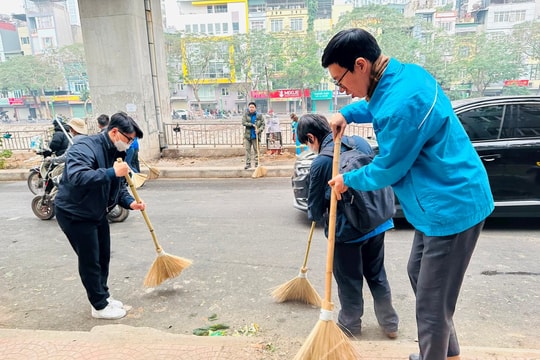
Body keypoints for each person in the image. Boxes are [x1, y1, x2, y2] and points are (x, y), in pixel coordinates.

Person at [322, 28, 494, 360]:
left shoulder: (400, 106)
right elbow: (377, 104)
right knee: (420, 275)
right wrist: (348, 113)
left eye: (339, 80)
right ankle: (447, 352)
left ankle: (434, 355)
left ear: (360, 64)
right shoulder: (405, 76)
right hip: (438, 203)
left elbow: (388, 169)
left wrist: (347, 179)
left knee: (431, 303)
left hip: (451, 206)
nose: (341, 88)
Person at [297, 113, 399, 339]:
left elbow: (313, 209)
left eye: (307, 143)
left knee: (349, 280)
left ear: (311, 138)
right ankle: (390, 324)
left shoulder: (322, 161)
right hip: (377, 222)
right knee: (376, 273)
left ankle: (350, 325)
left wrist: (319, 211)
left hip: (348, 233)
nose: (309, 148)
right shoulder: (359, 143)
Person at [54, 112, 145, 320]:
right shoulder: (85, 147)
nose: (130, 145)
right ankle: (98, 305)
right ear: (114, 132)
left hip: (97, 212)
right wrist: (112, 172)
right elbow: (78, 176)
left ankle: (103, 295)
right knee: (90, 260)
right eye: (129, 139)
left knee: (103, 256)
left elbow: (118, 186)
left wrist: (130, 202)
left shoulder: (118, 152)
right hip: (75, 213)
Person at [242, 102, 265, 169]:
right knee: (247, 150)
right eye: (250, 107)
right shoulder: (246, 115)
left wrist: (259, 130)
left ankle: (257, 163)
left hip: (255, 136)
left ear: (255, 108)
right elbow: (243, 122)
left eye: (253, 107)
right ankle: (248, 164)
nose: (251, 108)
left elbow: (263, 125)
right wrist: (251, 125)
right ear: (248, 108)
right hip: (247, 136)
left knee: (256, 150)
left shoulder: (259, 116)